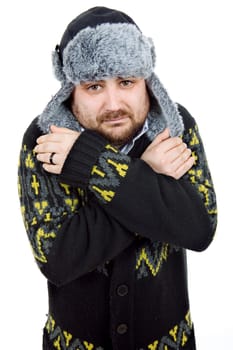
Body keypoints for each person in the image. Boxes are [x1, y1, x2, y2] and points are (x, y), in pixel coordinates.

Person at [18, 6, 217, 350]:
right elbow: (58, 259)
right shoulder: (45, 141)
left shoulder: (174, 128)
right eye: (94, 86)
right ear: (71, 90)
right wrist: (148, 179)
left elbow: (198, 229)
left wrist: (90, 161)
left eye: (126, 82)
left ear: (146, 81)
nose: (113, 103)